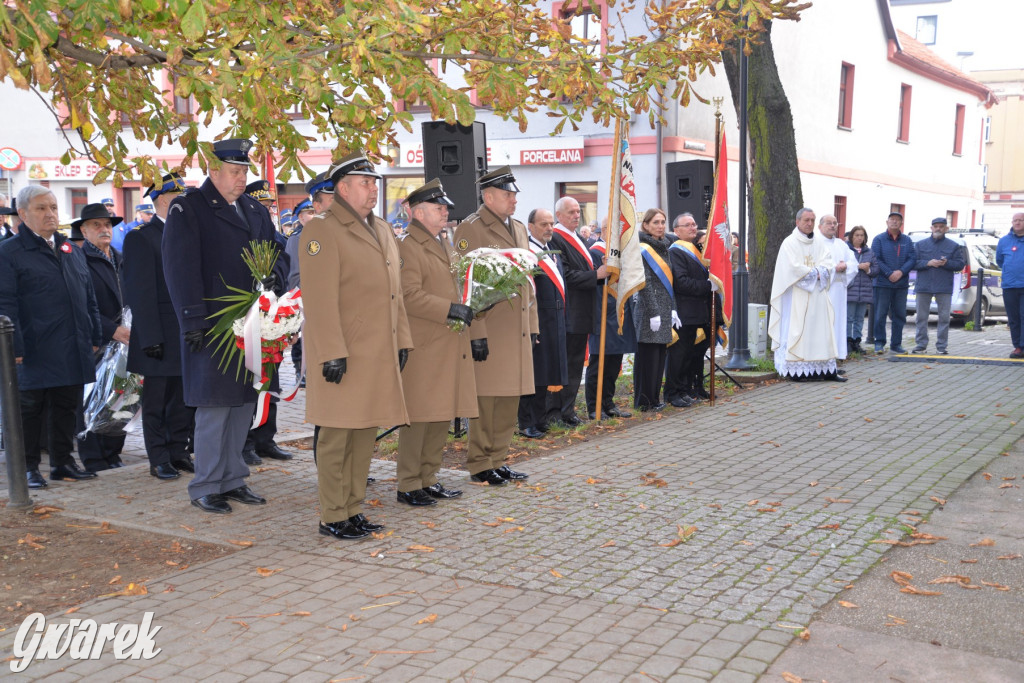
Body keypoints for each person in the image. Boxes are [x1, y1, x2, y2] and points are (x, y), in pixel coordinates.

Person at [163, 138, 287, 514]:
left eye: (244, 171)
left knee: (242, 404)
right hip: (213, 326)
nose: (241, 178)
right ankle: (205, 484)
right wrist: (192, 320)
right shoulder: (190, 208)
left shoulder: (252, 209)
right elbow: (180, 268)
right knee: (214, 407)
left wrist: (273, 291)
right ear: (213, 170)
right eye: (235, 171)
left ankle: (232, 478)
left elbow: (277, 253)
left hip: (251, 324)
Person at [300, 151, 411, 539]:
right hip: (344, 353)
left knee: (363, 436)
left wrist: (403, 340)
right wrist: (332, 351)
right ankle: (332, 515)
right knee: (336, 438)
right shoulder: (322, 230)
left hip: (377, 351)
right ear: (343, 188)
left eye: (374, 183)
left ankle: (353, 509)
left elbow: (393, 292)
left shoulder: (380, 228)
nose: (373, 190)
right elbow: (318, 298)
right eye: (365, 183)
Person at [0, 186, 102, 487]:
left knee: (66, 407)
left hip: (71, 344)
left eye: (54, 207)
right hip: (33, 346)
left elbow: (88, 296)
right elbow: (5, 303)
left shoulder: (70, 248)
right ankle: (27, 468)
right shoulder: (10, 252)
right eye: (42, 208)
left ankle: (63, 462)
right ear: (22, 213)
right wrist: (13, 345)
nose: (51, 214)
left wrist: (95, 332)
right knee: (29, 410)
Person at [453, 165, 537, 485]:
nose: (514, 199)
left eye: (514, 194)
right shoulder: (471, 229)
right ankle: (480, 463)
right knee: (487, 401)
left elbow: (527, 282)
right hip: (490, 328)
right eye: (507, 194)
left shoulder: (518, 227)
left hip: (516, 329)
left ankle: (498, 459)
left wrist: (533, 325)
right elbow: (464, 284)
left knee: (509, 399)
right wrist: (476, 332)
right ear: (488, 197)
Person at [395, 179, 476, 506]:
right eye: (438, 208)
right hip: (424, 344)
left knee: (440, 415)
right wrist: (450, 308)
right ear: (417, 212)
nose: (445, 212)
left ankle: (428, 477)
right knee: (420, 417)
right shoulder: (407, 246)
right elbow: (409, 296)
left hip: (446, 343)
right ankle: (408, 483)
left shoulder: (442, 241)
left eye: (445, 208)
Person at [123, 172, 196, 480]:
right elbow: (139, 292)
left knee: (182, 399)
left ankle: (179, 451)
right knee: (157, 402)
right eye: (181, 199)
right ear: (165, 201)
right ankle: (158, 457)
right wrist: (150, 337)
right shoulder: (141, 236)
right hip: (158, 334)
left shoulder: (187, 233)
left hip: (185, 331)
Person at [73, 203, 131, 472]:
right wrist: (111, 330)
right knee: (92, 399)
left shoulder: (120, 257)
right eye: (96, 225)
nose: (104, 229)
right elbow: (80, 304)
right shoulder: (78, 259)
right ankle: (94, 456)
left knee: (121, 395)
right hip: (98, 338)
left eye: (107, 224)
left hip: (126, 339)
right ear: (84, 231)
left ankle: (113, 451)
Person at [547, 196, 606, 426]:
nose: (576, 215)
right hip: (570, 312)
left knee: (574, 365)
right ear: (558, 216)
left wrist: (598, 269)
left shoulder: (577, 237)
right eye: (570, 212)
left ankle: (567, 410)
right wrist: (596, 275)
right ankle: (555, 412)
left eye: (578, 211)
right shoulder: (556, 238)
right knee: (566, 364)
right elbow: (565, 275)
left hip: (582, 311)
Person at [769, 208, 846, 382]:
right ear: (797, 222)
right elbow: (791, 268)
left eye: (812, 220)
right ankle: (797, 370)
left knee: (822, 331)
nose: (810, 223)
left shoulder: (818, 242)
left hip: (818, 295)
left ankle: (825, 370)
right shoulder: (789, 243)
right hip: (797, 296)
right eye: (806, 220)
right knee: (799, 331)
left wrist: (820, 272)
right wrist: (814, 273)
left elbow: (828, 263)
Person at [519, 208, 567, 438]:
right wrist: (531, 326)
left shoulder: (550, 251)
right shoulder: (528, 253)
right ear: (531, 226)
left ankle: (540, 419)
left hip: (553, 319)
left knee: (545, 374)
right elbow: (527, 293)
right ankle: (526, 422)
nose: (549, 228)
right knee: (533, 374)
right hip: (538, 320)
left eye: (551, 224)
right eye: (543, 224)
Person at [585, 235, 634, 419]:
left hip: (618, 312)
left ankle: (609, 403)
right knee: (599, 363)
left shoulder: (621, 251)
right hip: (601, 313)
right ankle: (594, 407)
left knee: (613, 363)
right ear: (607, 230)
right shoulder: (595, 252)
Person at [666, 212, 713, 406]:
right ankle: (672, 393)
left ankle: (685, 390)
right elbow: (682, 282)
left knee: (689, 356)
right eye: (687, 225)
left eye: (694, 224)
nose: (693, 228)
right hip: (684, 312)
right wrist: (708, 286)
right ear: (676, 230)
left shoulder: (695, 248)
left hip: (697, 312)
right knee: (678, 355)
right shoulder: (676, 251)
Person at [632, 208, 675, 410]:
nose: (660, 226)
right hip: (649, 309)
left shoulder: (665, 245)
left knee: (659, 357)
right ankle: (644, 400)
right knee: (647, 358)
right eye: (656, 222)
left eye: (663, 222)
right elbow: (646, 283)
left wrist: (672, 309)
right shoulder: (643, 248)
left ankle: (655, 398)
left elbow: (669, 280)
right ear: (646, 225)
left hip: (665, 307)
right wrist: (654, 312)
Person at [911, 217, 966, 355]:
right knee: (921, 317)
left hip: (944, 287)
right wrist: (927, 263)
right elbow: (912, 263)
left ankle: (941, 346)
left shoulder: (953, 246)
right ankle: (921, 345)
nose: (938, 228)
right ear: (931, 228)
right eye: (935, 226)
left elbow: (960, 264)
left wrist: (946, 263)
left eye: (941, 226)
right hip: (924, 286)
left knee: (944, 318)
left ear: (946, 229)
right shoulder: (920, 245)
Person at [871, 212, 916, 354]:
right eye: (892, 220)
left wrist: (901, 272)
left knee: (900, 315)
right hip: (883, 283)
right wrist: (889, 273)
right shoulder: (879, 239)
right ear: (887, 222)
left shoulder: (907, 240)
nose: (894, 222)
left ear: (901, 223)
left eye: (897, 220)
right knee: (880, 315)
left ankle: (896, 344)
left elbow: (912, 259)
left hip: (901, 284)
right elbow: (876, 259)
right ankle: (879, 343)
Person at [817, 214, 857, 363]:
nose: (832, 226)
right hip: (824, 291)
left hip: (840, 291)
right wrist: (835, 268)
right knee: (825, 324)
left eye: (835, 223)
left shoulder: (841, 244)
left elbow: (853, 262)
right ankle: (823, 359)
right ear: (820, 226)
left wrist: (845, 266)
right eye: (828, 223)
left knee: (838, 323)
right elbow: (815, 267)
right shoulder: (815, 243)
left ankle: (834, 359)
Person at [844, 225, 877, 354]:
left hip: (864, 290)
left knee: (860, 318)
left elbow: (876, 269)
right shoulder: (846, 250)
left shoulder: (869, 252)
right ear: (852, 236)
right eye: (856, 235)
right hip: (851, 288)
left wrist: (868, 269)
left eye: (861, 235)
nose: (859, 238)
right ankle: (848, 342)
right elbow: (843, 265)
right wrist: (857, 266)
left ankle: (857, 341)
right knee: (849, 317)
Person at [997, 212, 1024, 359]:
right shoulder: (1004, 241)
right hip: (1009, 285)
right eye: (1015, 220)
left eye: (1021, 220)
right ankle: (1018, 347)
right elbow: (1000, 260)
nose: (1018, 223)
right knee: (1013, 318)